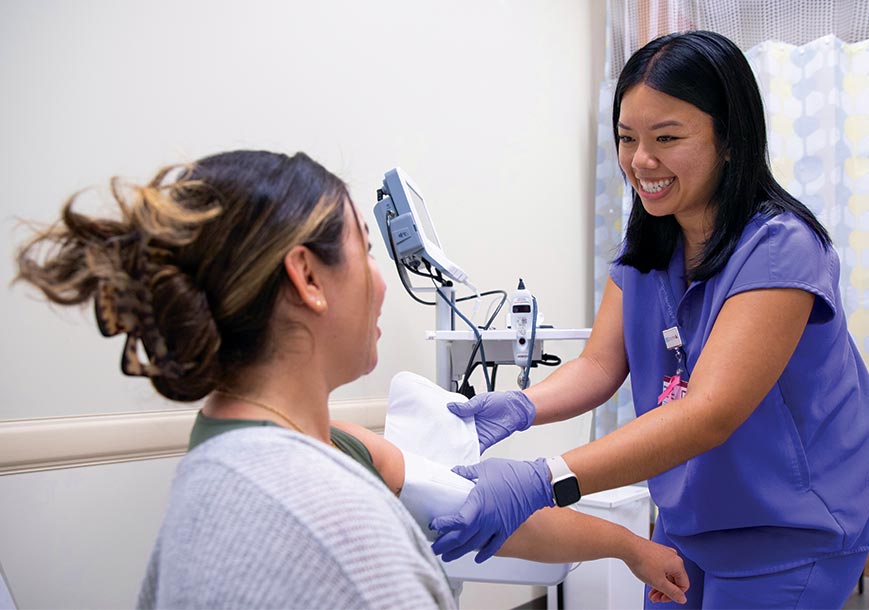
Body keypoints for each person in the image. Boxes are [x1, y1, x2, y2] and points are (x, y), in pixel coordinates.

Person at [14, 149, 689, 607]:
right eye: (365, 247)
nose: (378, 281)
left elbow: (476, 513)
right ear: (307, 278)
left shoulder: (252, 443)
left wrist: (629, 547)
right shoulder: (338, 527)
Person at [430, 30, 869, 609]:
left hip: (790, 531)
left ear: (731, 139)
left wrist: (547, 477)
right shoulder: (648, 250)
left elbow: (709, 412)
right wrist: (523, 407)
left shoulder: (781, 249)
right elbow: (598, 364)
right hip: (691, 524)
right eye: (626, 138)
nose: (641, 162)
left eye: (667, 137)